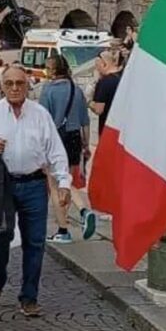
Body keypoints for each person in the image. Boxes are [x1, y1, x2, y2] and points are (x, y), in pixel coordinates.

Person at [0, 66, 72, 318]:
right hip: (2, 185)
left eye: (19, 83)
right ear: (2, 86)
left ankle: (29, 296)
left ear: (28, 85)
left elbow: (55, 150)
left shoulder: (40, 114)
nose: (15, 88)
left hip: (33, 184)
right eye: (9, 83)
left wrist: (63, 182)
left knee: (35, 241)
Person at [39, 54, 96, 243]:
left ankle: (66, 226)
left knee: (55, 185)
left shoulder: (48, 90)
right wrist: (86, 145)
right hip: (73, 137)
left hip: (56, 138)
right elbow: (85, 121)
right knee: (68, 179)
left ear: (53, 70)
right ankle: (71, 220)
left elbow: (43, 119)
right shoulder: (76, 89)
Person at [90, 49, 122, 136]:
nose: (97, 69)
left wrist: (88, 101)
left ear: (104, 64)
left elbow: (99, 110)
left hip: (108, 127)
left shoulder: (104, 82)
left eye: (97, 66)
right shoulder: (123, 77)